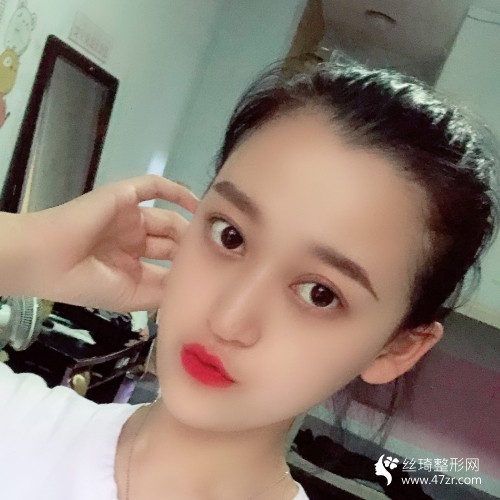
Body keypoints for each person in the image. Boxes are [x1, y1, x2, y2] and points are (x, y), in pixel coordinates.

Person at [0, 55, 498, 500]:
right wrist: (29, 251)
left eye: (320, 294)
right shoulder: (17, 425)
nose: (229, 319)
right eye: (230, 236)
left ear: (396, 349)